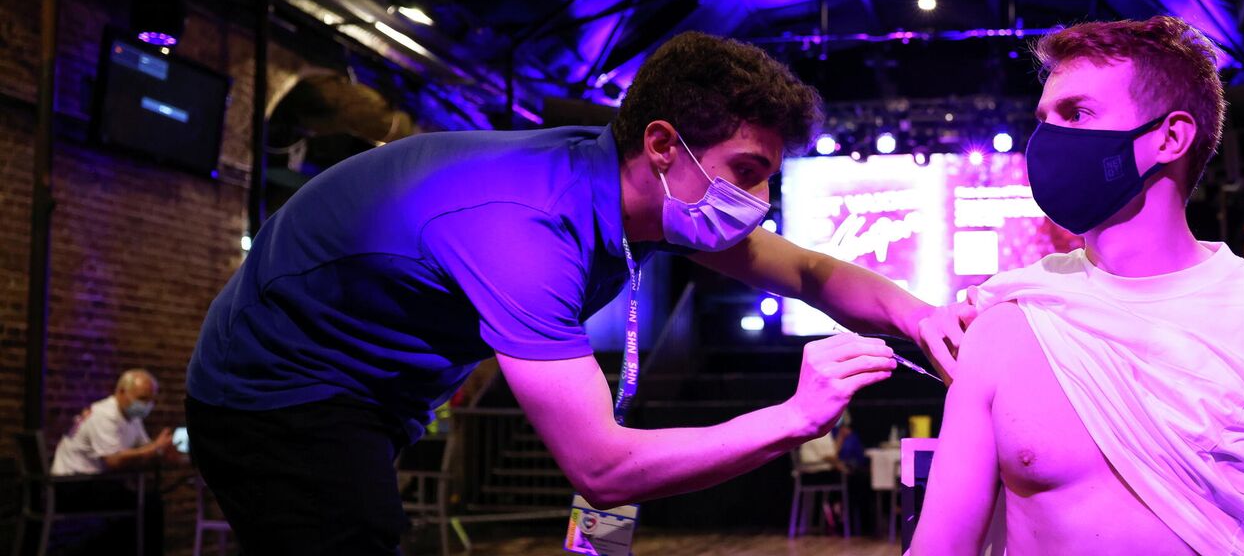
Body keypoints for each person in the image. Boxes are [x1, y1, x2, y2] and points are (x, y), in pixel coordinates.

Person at [186, 32, 972, 555]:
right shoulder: (525, 229)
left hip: (377, 392)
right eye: (747, 172)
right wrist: (795, 418)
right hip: (273, 396)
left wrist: (920, 316)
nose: (759, 201)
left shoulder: (641, 194)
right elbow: (602, 468)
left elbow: (805, 272)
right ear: (663, 145)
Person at [912, 17, 1244, 555]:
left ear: (1170, 137)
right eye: (1043, 119)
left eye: (1077, 113)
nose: (1047, 140)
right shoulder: (1012, 321)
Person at [48, 369, 174, 554]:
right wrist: (155, 448)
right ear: (122, 392)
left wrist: (162, 451)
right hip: (70, 486)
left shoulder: (132, 417)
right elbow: (113, 461)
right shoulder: (104, 415)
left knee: (142, 501)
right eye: (142, 398)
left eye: (151, 400)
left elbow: (144, 449)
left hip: (91, 483)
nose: (147, 405)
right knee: (148, 504)